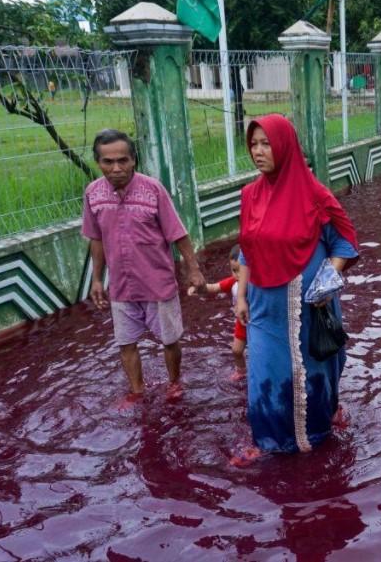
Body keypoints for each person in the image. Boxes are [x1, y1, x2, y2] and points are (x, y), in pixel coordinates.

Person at [233, 114, 359, 460]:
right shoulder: (250, 195)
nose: (258, 152)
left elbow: (345, 243)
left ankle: (317, 432)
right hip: (263, 308)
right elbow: (247, 248)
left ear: (285, 146)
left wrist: (325, 283)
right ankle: (268, 442)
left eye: (266, 144)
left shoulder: (314, 195)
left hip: (308, 307)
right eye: (253, 144)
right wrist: (241, 295)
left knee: (314, 371)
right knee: (264, 373)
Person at [81, 129, 206, 404]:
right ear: (98, 162)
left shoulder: (153, 190)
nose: (116, 168)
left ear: (134, 160)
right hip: (121, 286)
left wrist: (193, 268)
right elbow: (96, 238)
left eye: (123, 160)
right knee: (125, 342)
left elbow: (178, 233)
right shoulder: (93, 194)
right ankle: (137, 391)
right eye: (108, 162)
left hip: (157, 282)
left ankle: (174, 383)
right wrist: (98, 280)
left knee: (170, 339)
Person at [188, 244, 248, 362]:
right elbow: (215, 287)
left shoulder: (257, 283)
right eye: (234, 270)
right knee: (236, 350)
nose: (237, 274)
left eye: (241, 270)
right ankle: (240, 370)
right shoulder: (233, 282)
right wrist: (199, 288)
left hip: (257, 320)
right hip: (241, 321)